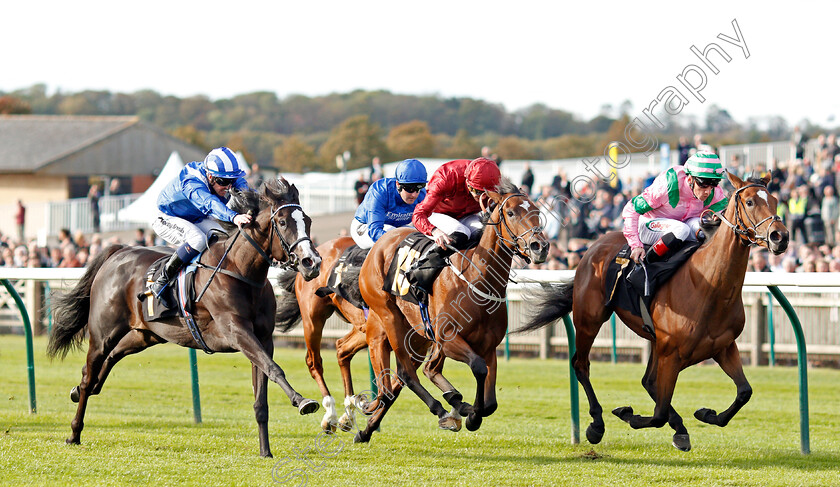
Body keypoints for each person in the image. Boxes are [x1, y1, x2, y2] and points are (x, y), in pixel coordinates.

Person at [149, 147, 254, 299]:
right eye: (224, 182)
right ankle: (162, 281)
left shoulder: (223, 177)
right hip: (167, 217)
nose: (228, 187)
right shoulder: (191, 181)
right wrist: (234, 217)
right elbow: (209, 203)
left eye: (232, 181)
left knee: (226, 238)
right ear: (210, 176)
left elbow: (249, 192)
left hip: (194, 217)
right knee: (197, 239)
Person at [409, 157, 501, 294]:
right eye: (478, 192)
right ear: (468, 183)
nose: (482, 197)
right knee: (461, 232)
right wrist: (434, 231)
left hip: (466, 215)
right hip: (437, 214)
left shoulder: (493, 182)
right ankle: (420, 271)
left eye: (487, 193)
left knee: (484, 232)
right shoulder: (447, 177)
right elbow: (418, 215)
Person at [622, 150, 728, 264]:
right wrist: (636, 245)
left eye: (713, 184)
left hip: (682, 224)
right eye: (703, 184)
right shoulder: (668, 185)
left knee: (705, 229)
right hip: (649, 224)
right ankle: (647, 264)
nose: (708, 191)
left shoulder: (714, 193)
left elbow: (725, 219)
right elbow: (630, 209)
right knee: (681, 229)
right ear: (690, 179)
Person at [350, 159, 427, 249]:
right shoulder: (380, 191)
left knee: (419, 237)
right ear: (398, 184)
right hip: (366, 226)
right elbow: (375, 232)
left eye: (419, 187)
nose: (414, 194)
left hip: (396, 227)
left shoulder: (422, 195)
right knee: (393, 234)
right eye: (410, 189)